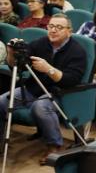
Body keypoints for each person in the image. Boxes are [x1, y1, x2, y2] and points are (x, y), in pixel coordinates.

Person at [0, 13, 86, 164]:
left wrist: (49, 69)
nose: (53, 30)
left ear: (69, 31)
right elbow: (16, 65)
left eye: (59, 27)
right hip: (33, 89)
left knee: (40, 106)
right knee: (1, 101)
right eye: (51, 26)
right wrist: (11, 53)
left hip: (60, 93)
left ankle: (54, 145)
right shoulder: (40, 43)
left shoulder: (77, 51)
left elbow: (70, 80)